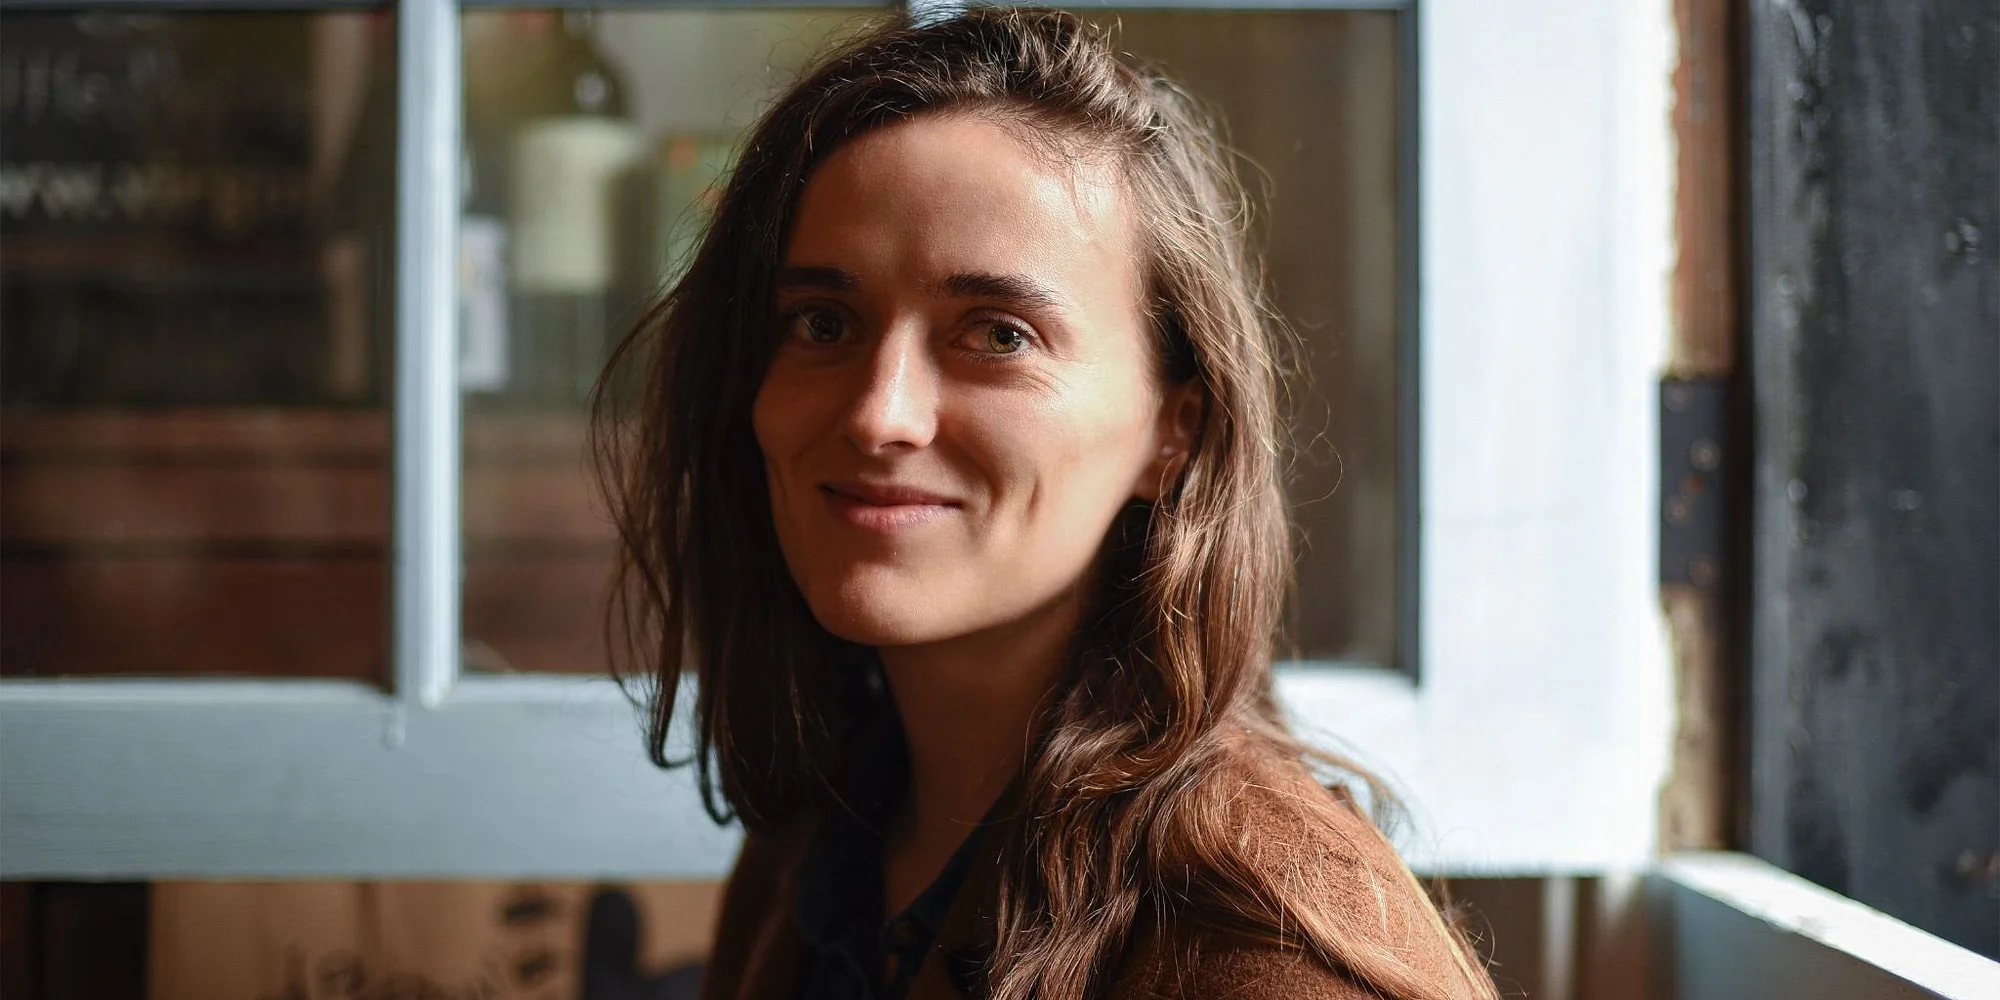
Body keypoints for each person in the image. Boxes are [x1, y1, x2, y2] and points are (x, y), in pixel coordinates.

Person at [593, 8, 1500, 1000]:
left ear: (1174, 430)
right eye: (822, 323)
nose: (878, 414)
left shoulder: (1266, 952)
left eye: (998, 335)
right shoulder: (825, 833)